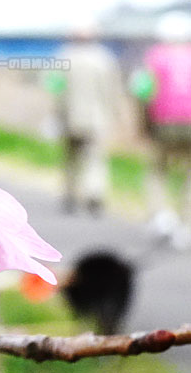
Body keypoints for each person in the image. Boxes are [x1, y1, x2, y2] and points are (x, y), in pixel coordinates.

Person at [131, 12, 191, 249]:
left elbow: (142, 91)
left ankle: (160, 216)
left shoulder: (155, 57)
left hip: (163, 123)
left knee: (157, 170)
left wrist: (143, 125)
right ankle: (186, 224)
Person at [50, 24, 124, 215]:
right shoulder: (104, 59)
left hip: (70, 118)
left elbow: (56, 90)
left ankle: (70, 195)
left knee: (70, 159)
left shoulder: (63, 56)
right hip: (97, 119)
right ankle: (94, 193)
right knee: (95, 158)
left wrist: (55, 114)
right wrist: (115, 113)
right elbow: (112, 91)